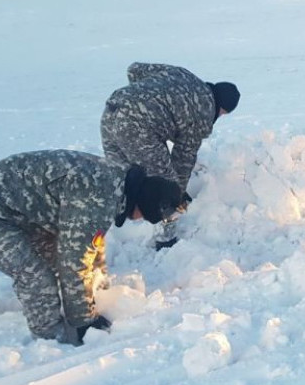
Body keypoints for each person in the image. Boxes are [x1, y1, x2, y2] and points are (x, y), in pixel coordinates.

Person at [0, 150, 182, 345]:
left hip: (20, 209)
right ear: (142, 204)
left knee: (57, 262)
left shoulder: (117, 183)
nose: (139, 220)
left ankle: (63, 313)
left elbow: (91, 244)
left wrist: (100, 292)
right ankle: (51, 341)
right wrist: (84, 322)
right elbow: (74, 262)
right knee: (36, 276)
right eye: (144, 216)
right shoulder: (99, 198)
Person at [101, 62, 240, 250]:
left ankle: (99, 230)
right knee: (164, 184)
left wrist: (139, 98)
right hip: (138, 128)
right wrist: (178, 194)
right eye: (223, 114)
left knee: (117, 178)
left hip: (112, 110)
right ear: (222, 108)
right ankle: (166, 239)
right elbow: (183, 160)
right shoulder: (204, 113)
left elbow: (134, 69)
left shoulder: (184, 75)